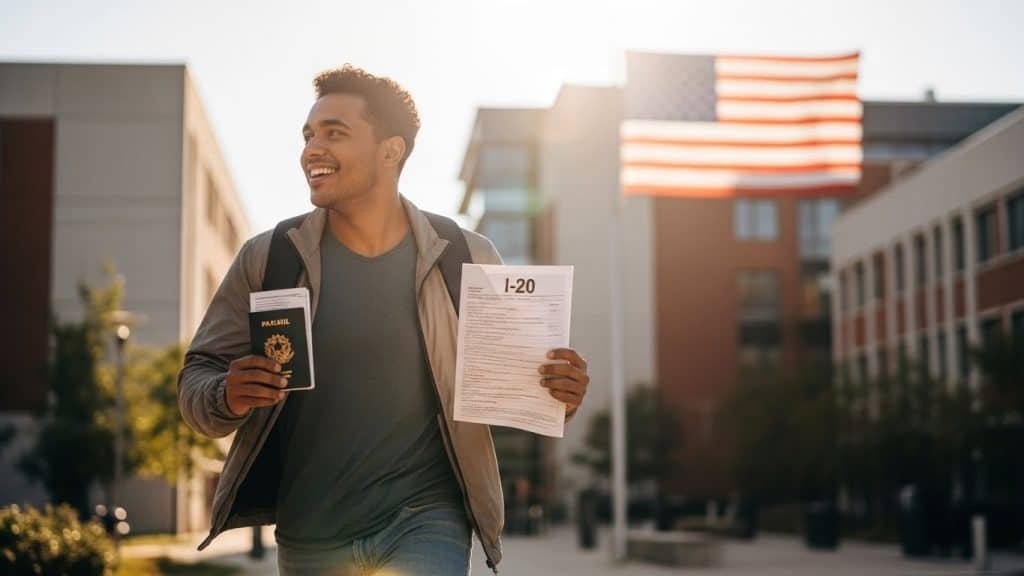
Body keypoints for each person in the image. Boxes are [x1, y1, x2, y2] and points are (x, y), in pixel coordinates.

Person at [177, 65, 590, 576]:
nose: (312, 149)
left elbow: (519, 387)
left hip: (426, 521)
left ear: (390, 150)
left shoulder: (464, 257)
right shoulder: (269, 259)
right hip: (312, 532)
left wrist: (558, 394)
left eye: (335, 133)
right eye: (308, 135)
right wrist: (227, 393)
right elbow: (197, 377)